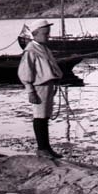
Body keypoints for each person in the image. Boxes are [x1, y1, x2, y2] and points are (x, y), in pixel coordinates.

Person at [17, 19, 64, 158]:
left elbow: (50, 67)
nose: (48, 36)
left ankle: (46, 148)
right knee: (40, 116)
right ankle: (42, 149)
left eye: (48, 33)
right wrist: (30, 91)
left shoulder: (44, 48)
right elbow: (25, 72)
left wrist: (55, 81)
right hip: (39, 87)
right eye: (45, 33)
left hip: (48, 85)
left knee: (45, 116)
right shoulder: (31, 50)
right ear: (35, 34)